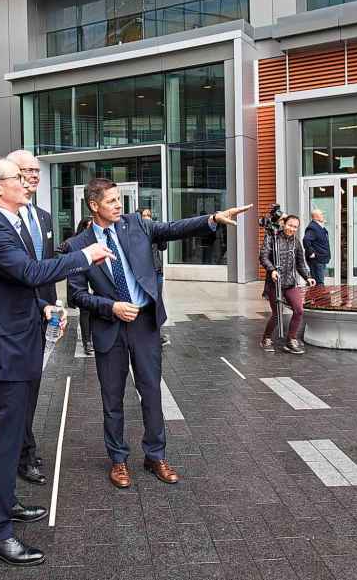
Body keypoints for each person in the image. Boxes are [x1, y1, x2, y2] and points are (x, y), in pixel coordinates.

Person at [0, 158, 113, 567]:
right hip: (5, 352)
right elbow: (30, 271)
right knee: (5, 442)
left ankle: (5, 503)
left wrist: (47, 309)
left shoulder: (8, 224)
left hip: (21, 342)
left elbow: (23, 284)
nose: (26, 183)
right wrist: (84, 256)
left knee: (12, 437)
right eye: (18, 178)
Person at [66, 178, 250, 489]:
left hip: (144, 324)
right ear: (94, 206)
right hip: (109, 327)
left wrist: (213, 218)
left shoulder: (136, 224)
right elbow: (75, 296)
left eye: (118, 199)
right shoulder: (77, 245)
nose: (118, 205)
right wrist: (110, 307)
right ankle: (118, 461)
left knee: (151, 392)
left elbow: (174, 228)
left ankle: (155, 455)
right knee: (112, 399)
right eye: (111, 201)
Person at [6, 149, 58, 487]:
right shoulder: (2, 219)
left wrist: (52, 307)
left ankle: (23, 446)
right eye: (27, 170)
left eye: (37, 171)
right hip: (14, 318)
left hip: (43, 314)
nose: (35, 176)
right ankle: (21, 453)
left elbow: (49, 268)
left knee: (34, 386)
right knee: (17, 391)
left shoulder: (44, 217)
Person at [259, 214, 315, 355]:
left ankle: (291, 340)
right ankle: (266, 338)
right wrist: (271, 270)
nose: (292, 229)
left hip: (290, 282)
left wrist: (308, 277)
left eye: (295, 227)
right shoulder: (272, 237)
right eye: (290, 225)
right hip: (274, 283)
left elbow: (300, 263)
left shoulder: (296, 242)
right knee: (277, 314)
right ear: (284, 224)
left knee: (299, 310)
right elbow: (263, 256)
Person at [57, 217, 93, 356]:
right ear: (82, 228)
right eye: (88, 226)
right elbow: (59, 252)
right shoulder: (73, 243)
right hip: (80, 280)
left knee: (94, 310)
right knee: (85, 311)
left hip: (95, 279)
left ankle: (92, 338)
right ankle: (87, 342)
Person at [140, 208, 171, 347]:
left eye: (149, 215)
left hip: (157, 271)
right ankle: (147, 335)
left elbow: (162, 247)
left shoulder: (154, 231)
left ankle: (156, 335)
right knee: (147, 305)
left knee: (157, 304)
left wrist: (161, 235)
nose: (148, 217)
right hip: (145, 274)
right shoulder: (137, 233)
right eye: (145, 215)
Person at [301, 208, 330, 287]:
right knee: (319, 282)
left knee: (316, 280)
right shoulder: (313, 227)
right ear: (316, 217)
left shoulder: (319, 226)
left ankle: (311, 297)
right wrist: (311, 253)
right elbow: (306, 240)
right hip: (317, 259)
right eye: (321, 214)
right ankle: (318, 299)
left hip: (321, 258)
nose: (323, 216)